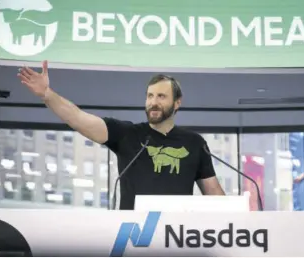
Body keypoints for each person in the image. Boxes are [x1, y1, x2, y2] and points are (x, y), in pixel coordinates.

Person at [17, 61, 225, 210]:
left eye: (161, 96)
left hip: (177, 238)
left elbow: (214, 193)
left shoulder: (194, 143)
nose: (153, 102)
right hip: (132, 236)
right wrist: (47, 94)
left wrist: (243, 222)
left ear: (177, 103)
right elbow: (78, 118)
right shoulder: (127, 134)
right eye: (150, 96)